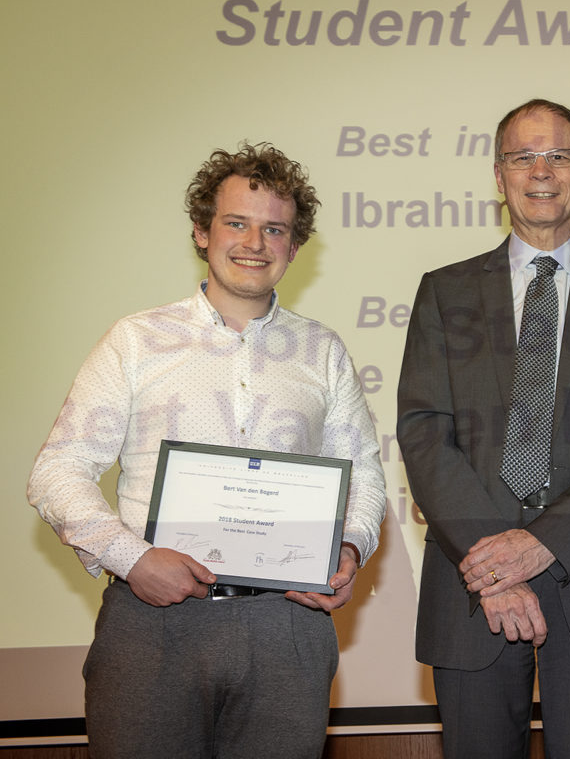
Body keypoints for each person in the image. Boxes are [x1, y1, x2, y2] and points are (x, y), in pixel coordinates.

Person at [27, 143, 387, 759]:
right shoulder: (135, 341)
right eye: (236, 222)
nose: (254, 242)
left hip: (287, 625)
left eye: (274, 229)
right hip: (152, 622)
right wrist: (133, 558)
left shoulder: (323, 352)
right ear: (202, 230)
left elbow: (365, 479)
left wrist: (348, 549)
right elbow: (57, 471)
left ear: (294, 246)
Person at [396, 99, 570, 759]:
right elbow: (424, 432)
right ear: (499, 176)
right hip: (473, 585)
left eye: (559, 155)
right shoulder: (444, 292)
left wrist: (544, 543)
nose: (542, 170)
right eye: (524, 156)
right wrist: (496, 564)